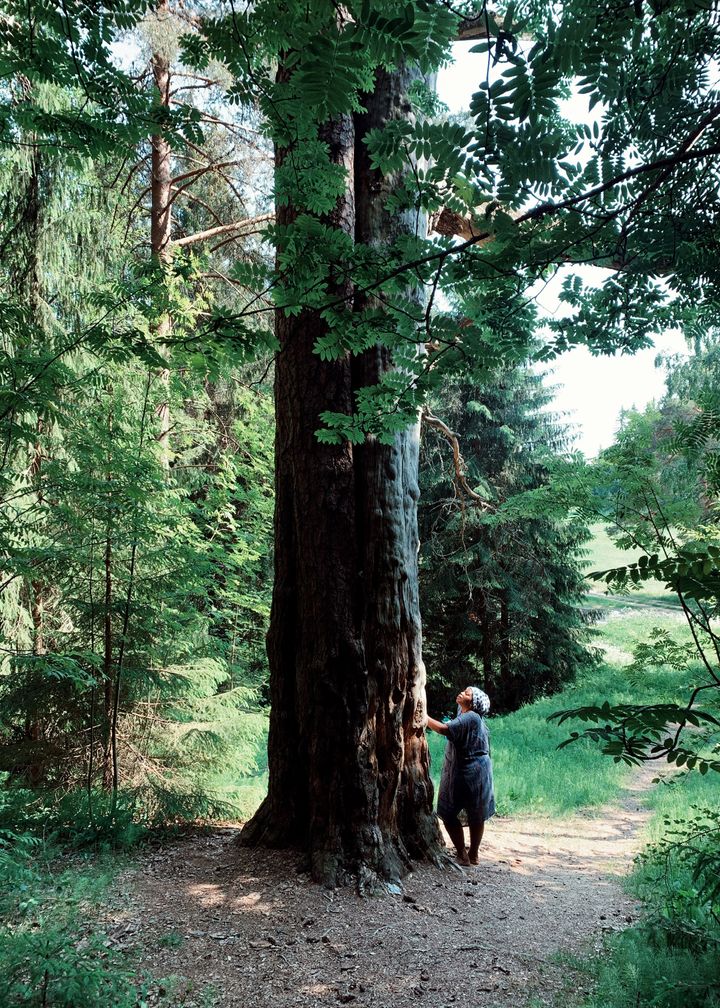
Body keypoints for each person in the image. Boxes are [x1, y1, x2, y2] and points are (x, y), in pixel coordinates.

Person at [426, 686, 495, 866]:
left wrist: (423, 718)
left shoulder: (470, 716)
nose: (462, 693)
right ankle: (473, 854)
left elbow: (443, 729)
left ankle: (463, 854)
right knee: (476, 813)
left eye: (467, 693)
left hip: (467, 772)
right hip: (478, 772)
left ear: (473, 702)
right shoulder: (471, 718)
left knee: (448, 812)